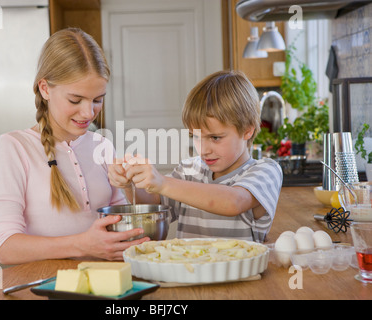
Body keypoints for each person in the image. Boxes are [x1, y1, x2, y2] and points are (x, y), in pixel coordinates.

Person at [0, 28, 148, 265]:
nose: (88, 113)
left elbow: (118, 221)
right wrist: (81, 245)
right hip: (41, 285)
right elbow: (6, 247)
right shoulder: (13, 147)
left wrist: (134, 191)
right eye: (75, 100)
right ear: (45, 89)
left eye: (97, 100)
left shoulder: (102, 145)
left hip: (104, 282)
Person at [108, 70, 283, 242]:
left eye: (215, 138)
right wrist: (131, 183)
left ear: (247, 130)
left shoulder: (265, 171)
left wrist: (163, 182)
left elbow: (234, 202)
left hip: (241, 272)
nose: (204, 149)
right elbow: (152, 209)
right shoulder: (188, 171)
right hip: (187, 270)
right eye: (196, 136)